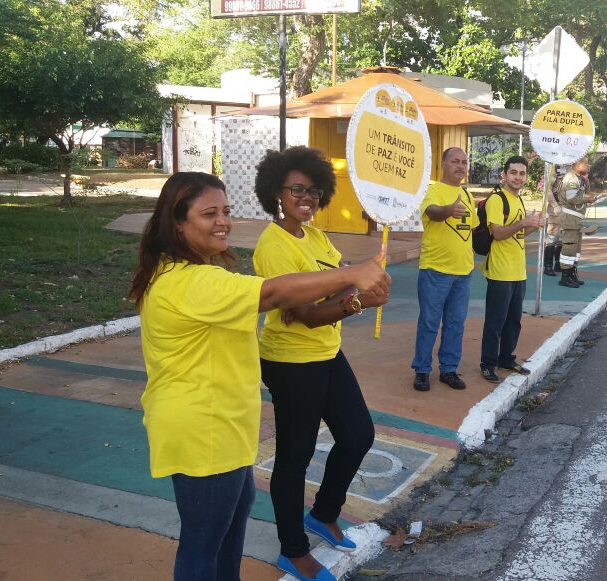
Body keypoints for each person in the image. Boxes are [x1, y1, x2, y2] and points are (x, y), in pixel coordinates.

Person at [129, 171, 390, 581]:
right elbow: (272, 293)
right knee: (204, 546)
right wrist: (350, 275)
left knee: (228, 535)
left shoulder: (190, 274)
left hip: (223, 428)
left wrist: (352, 291)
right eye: (209, 213)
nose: (223, 221)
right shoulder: (190, 282)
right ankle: (295, 548)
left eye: (226, 211)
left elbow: (284, 292)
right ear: (177, 223)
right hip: (204, 432)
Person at [253, 147, 389, 581]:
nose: (306, 198)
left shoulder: (314, 237)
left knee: (358, 435)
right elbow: (306, 315)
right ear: (276, 192)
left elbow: (333, 286)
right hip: (291, 361)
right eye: (296, 189)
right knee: (296, 455)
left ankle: (324, 513)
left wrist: (358, 284)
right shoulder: (273, 245)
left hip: (326, 353)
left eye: (313, 191)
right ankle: (293, 550)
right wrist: (358, 301)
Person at [411, 146, 476, 392]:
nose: (460, 166)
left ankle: (448, 369)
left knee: (455, 324)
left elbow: (472, 229)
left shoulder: (467, 195)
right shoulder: (432, 190)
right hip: (435, 270)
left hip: (463, 272)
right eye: (455, 161)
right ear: (443, 164)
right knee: (429, 322)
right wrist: (448, 210)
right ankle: (422, 370)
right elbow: (434, 213)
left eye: (464, 162)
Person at [479, 155, 544, 383]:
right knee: (495, 321)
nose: (518, 177)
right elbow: (498, 233)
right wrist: (523, 223)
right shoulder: (497, 200)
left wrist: (533, 226)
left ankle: (506, 358)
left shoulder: (518, 200)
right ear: (504, 175)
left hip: (518, 271)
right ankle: (488, 364)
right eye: (513, 172)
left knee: (514, 320)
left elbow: (517, 234)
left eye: (522, 173)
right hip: (500, 271)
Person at [557, 158, 598, 288]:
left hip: (574, 218)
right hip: (569, 218)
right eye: (585, 163)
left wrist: (586, 180)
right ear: (577, 164)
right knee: (569, 247)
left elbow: (586, 192)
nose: (588, 165)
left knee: (575, 248)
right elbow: (572, 197)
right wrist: (587, 199)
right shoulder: (572, 179)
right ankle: (565, 276)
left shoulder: (578, 178)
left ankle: (571, 274)